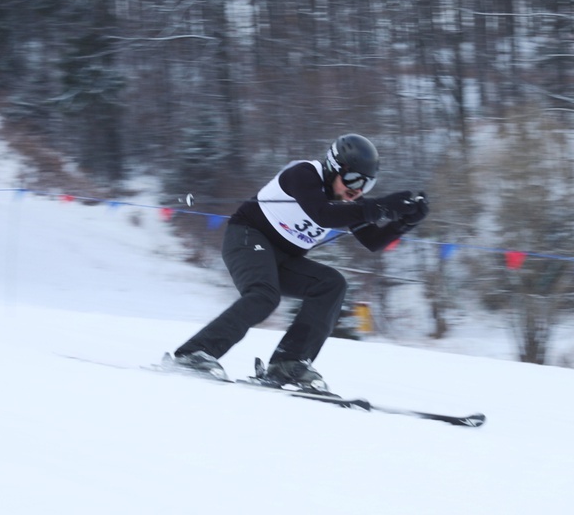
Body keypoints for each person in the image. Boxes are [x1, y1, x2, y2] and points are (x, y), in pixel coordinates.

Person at [170, 133, 429, 391]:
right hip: (247, 237)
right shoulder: (303, 174)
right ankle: (193, 354)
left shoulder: (348, 200)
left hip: (284, 258)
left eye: (367, 185)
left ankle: (289, 363)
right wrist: (382, 207)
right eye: (353, 179)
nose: (358, 190)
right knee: (264, 295)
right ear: (333, 168)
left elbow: (373, 241)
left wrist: (406, 222)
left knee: (331, 284)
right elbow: (322, 214)